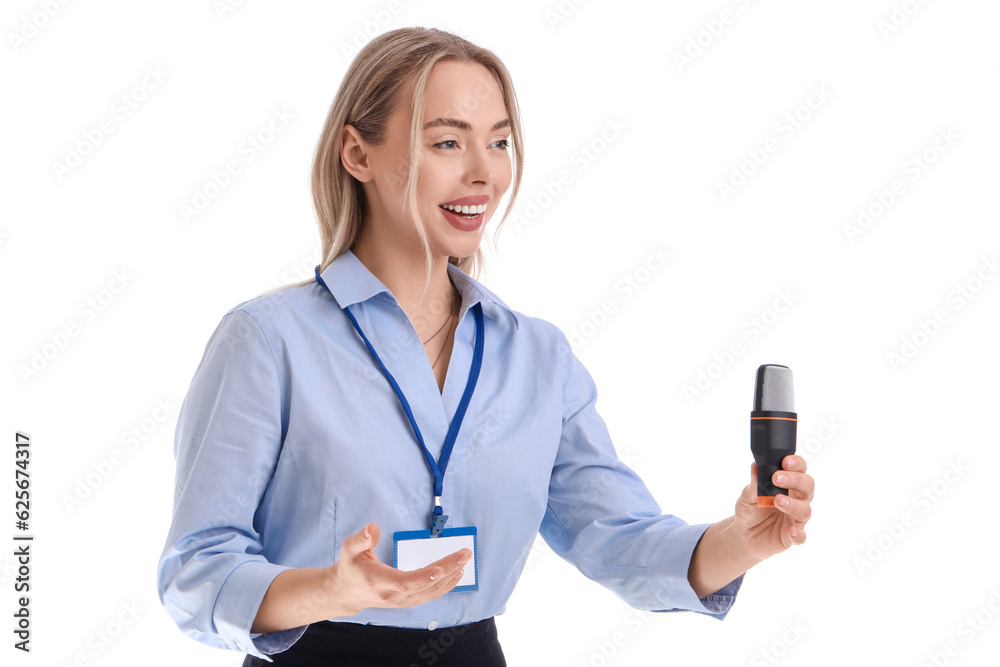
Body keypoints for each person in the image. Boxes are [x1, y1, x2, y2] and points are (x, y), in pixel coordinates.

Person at [156, 26, 815, 666]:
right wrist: (327, 589)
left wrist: (741, 540)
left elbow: (617, 537)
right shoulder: (268, 339)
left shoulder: (537, 355)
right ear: (357, 155)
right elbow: (195, 567)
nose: (483, 174)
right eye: (447, 142)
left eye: (499, 143)